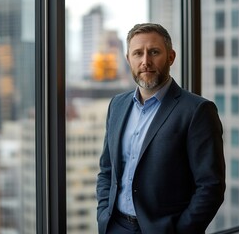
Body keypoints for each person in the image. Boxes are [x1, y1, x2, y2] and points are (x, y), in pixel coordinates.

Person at [96, 23, 226, 234]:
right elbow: (107, 169)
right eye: (138, 53)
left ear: (171, 57)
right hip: (115, 227)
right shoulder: (117, 105)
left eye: (154, 52)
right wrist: (103, 214)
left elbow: (211, 187)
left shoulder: (197, 111)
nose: (145, 61)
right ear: (128, 59)